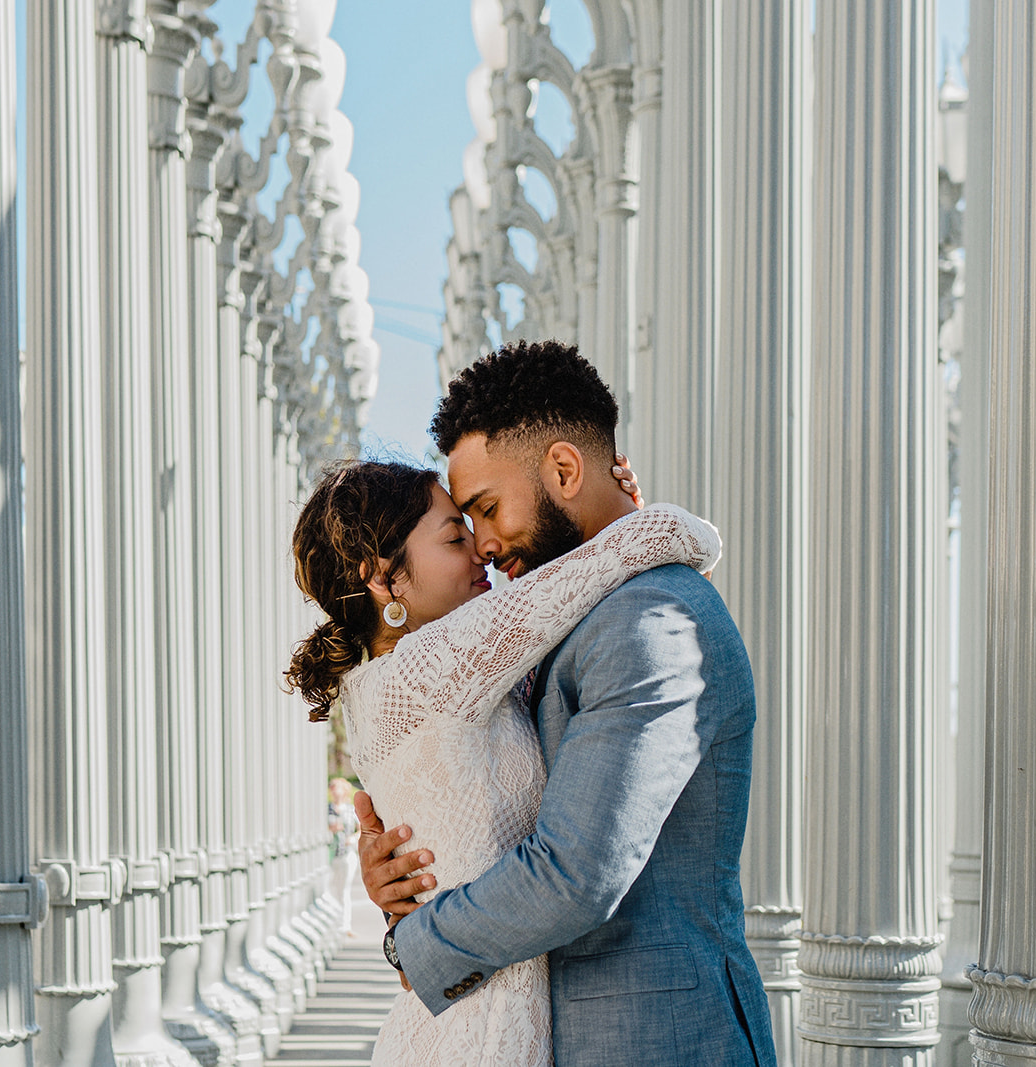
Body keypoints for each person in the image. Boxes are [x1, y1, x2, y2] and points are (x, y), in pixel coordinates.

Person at [356, 339, 779, 1067]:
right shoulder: (581, 619)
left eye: (485, 510)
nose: (483, 546)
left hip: (660, 1043)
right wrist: (407, 860)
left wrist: (415, 941)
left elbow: (575, 873)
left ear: (562, 469)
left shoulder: (651, 622)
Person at [286, 452, 719, 1066]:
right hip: (483, 1033)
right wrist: (623, 518)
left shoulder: (390, 684)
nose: (481, 551)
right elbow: (670, 538)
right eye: (456, 536)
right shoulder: (434, 667)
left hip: (468, 1015)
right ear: (383, 578)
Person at [327, 777, 360, 936]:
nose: (334, 791)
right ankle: (333, 923)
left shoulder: (351, 810)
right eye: (332, 788)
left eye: (337, 788)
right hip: (331, 854)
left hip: (347, 853)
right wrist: (330, 829)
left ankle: (345, 924)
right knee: (331, 889)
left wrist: (352, 839)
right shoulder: (326, 809)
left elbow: (361, 830)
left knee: (344, 889)